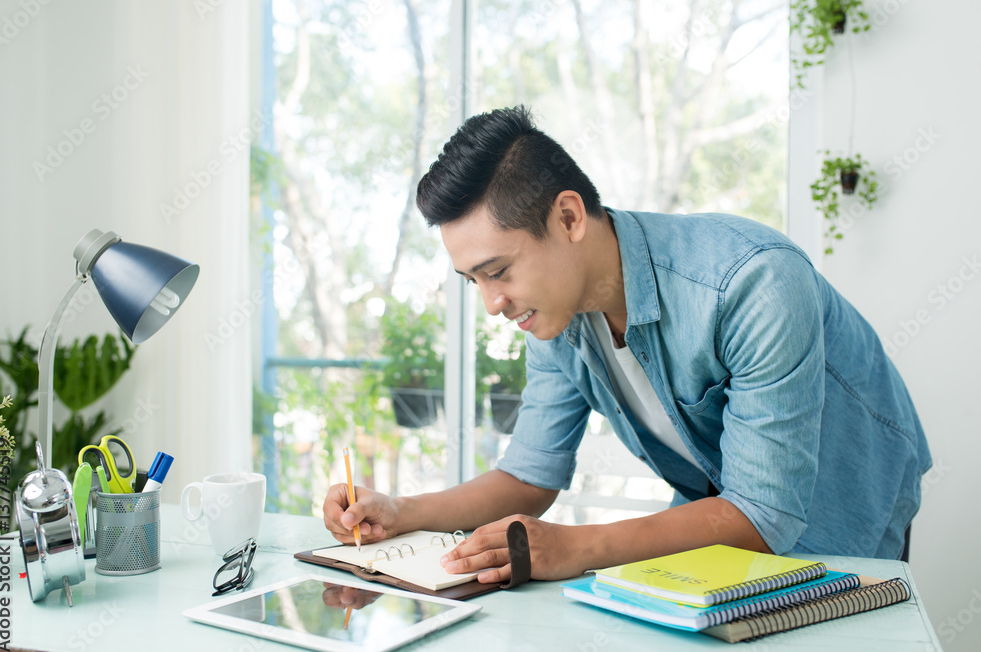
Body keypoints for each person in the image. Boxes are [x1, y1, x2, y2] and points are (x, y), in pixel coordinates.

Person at [323, 106, 931, 584]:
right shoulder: (554, 318)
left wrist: (579, 547)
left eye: (499, 271)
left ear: (568, 218)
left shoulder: (752, 282)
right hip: (723, 512)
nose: (492, 303)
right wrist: (401, 512)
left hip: (847, 503)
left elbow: (764, 513)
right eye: (473, 281)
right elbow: (529, 478)